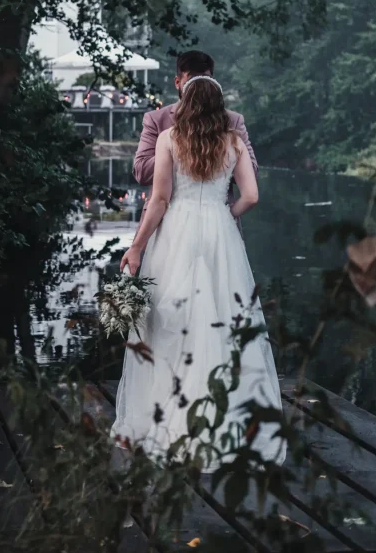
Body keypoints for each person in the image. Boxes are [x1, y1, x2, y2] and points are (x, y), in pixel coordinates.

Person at [110, 71, 286, 470]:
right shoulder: (234, 141)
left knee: (170, 321)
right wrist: (227, 213)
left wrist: (136, 246)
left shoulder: (169, 139)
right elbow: (252, 196)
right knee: (225, 320)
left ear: (186, 104)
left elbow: (159, 200)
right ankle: (226, 421)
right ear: (219, 105)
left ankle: (169, 418)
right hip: (220, 233)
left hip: (177, 232)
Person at [133, 51, 257, 219]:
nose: (199, 87)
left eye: (205, 79)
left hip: (217, 219)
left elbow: (252, 172)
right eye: (192, 81)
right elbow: (141, 173)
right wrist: (180, 148)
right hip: (164, 219)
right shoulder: (156, 119)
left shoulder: (232, 120)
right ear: (177, 83)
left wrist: (218, 151)